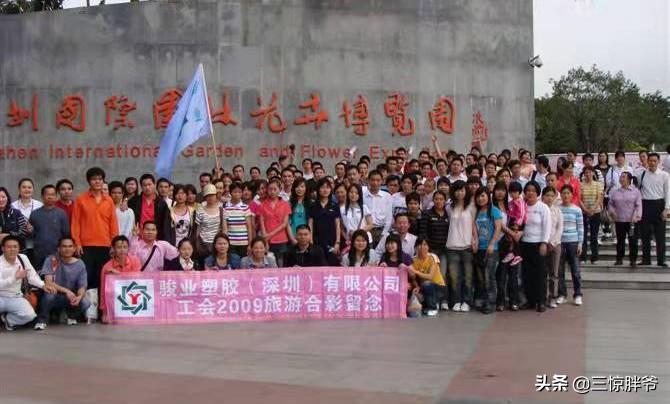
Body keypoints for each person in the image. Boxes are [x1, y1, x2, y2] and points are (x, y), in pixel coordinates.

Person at [72, 167, 119, 292]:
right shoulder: (81, 199)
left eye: (100, 179)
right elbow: (75, 223)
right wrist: (77, 243)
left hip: (105, 245)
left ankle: (101, 303)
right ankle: (87, 303)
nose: (97, 181)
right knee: (87, 277)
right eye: (94, 179)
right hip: (86, 245)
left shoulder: (109, 200)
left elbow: (113, 224)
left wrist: (114, 245)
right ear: (89, 181)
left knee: (103, 277)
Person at [0, 236, 54, 331]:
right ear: (3, 248)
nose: (12, 249)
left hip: (15, 297)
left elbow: (32, 276)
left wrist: (43, 285)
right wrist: (15, 278)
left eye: (15, 247)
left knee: (29, 315)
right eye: (9, 247)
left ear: (19, 248)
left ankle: (7, 321)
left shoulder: (23, 258)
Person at [35, 237, 90, 330]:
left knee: (86, 302)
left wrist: (79, 296)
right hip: (55, 294)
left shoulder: (80, 264)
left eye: (70, 246)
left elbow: (82, 285)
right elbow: (48, 282)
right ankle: (41, 320)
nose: (67, 249)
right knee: (50, 294)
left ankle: (70, 315)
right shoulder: (51, 260)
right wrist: (67, 291)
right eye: (64, 246)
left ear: (74, 248)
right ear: (58, 248)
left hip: (70, 298)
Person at [520, 181, 551, 312]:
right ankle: (530, 300)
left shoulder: (543, 207)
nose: (530, 193)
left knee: (540, 274)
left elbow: (547, 226)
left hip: (538, 244)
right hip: (524, 243)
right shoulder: (522, 206)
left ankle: (541, 301)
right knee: (527, 274)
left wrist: (544, 242)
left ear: (537, 193)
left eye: (533, 190)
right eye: (528, 190)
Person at [446, 180, 476, 312]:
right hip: (452, 246)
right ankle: (457, 300)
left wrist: (475, 239)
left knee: (468, 277)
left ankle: (467, 301)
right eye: (457, 190)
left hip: (467, 246)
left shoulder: (471, 206)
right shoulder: (449, 207)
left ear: (466, 191)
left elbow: (474, 224)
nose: (460, 193)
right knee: (454, 277)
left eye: (462, 190)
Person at [637, 152, 670, 267]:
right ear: (647, 161)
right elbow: (638, 191)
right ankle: (646, 259)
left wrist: (667, 209)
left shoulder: (664, 175)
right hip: (645, 205)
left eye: (654, 161)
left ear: (658, 162)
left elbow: (668, 193)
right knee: (645, 234)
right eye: (650, 160)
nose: (652, 163)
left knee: (660, 235)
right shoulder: (642, 174)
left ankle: (661, 260)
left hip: (659, 205)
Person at [473, 188, 503, 314]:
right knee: (481, 277)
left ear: (488, 197)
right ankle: (483, 300)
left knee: (489, 276)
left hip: (491, 249)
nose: (480, 199)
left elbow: (498, 228)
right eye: (478, 196)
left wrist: (492, 243)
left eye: (483, 196)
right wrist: (475, 242)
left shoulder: (494, 210)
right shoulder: (476, 212)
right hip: (479, 248)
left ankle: (491, 303)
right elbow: (475, 229)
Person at [492, 181, 520, 311]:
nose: (500, 192)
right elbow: (500, 225)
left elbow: (516, 221)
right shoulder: (491, 207)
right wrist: (511, 233)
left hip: (510, 245)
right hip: (497, 244)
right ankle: (500, 301)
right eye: (498, 189)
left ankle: (514, 301)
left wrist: (516, 233)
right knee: (501, 275)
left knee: (513, 274)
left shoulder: (510, 206)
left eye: (503, 190)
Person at [99, 235, 141, 321]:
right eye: (119, 247)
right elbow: (103, 290)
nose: (122, 250)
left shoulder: (135, 261)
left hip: (133, 296)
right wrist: (104, 311)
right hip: (116, 299)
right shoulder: (107, 267)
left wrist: (119, 275)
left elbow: (138, 282)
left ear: (128, 248)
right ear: (113, 249)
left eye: (125, 247)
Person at [29, 184, 71, 269]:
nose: (50, 197)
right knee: (40, 275)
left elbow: (66, 234)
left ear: (56, 196)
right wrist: (30, 231)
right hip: (39, 253)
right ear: (42, 196)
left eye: (53, 194)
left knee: (56, 274)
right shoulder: (34, 214)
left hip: (56, 253)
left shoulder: (61, 213)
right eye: (47, 194)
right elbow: (32, 234)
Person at [557, 185, 584, 306]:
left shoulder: (577, 210)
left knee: (575, 270)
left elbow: (580, 227)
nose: (566, 195)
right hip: (560, 242)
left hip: (573, 242)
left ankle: (578, 294)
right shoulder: (557, 209)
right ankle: (562, 294)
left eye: (568, 193)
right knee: (560, 270)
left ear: (572, 195)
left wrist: (580, 243)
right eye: (564, 193)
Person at [608, 172, 642, 267]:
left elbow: (638, 205)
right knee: (620, 241)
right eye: (621, 177)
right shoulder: (615, 191)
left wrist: (636, 216)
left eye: (623, 177)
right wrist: (612, 212)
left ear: (629, 180)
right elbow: (610, 204)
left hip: (632, 221)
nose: (621, 179)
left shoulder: (635, 191)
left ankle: (633, 260)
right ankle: (619, 259)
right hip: (619, 220)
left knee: (633, 241)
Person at [408, 237, 446, 317]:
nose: (422, 247)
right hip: (423, 287)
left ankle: (433, 308)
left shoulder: (433, 257)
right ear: (415, 247)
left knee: (427, 284)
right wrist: (417, 286)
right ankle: (430, 303)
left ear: (428, 247)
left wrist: (416, 271)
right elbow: (413, 278)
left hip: (438, 287)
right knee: (416, 291)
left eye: (425, 244)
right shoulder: (413, 260)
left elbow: (430, 277)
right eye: (420, 244)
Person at [308, 178, 341, 266]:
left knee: (332, 264)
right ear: (318, 189)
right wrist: (310, 241)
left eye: (327, 187)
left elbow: (337, 224)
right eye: (322, 187)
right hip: (317, 240)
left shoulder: (334, 205)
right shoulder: (313, 205)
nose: (325, 190)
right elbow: (310, 224)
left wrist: (337, 242)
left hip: (331, 241)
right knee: (318, 264)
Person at [128, 174, 171, 241]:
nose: (147, 187)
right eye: (144, 185)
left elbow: (165, 225)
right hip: (137, 239)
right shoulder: (133, 202)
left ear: (154, 185)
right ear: (141, 186)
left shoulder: (161, 203)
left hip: (156, 240)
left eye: (149, 184)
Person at [259, 178, 291, 267]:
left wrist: (271, 234)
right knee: (268, 262)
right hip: (267, 239)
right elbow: (261, 222)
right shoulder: (262, 204)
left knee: (280, 263)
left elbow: (284, 223)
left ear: (279, 190)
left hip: (281, 238)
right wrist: (265, 237)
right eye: (270, 189)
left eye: (275, 189)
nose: (272, 192)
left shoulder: (285, 204)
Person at [11, 178, 43, 263]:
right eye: (24, 187)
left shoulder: (39, 205)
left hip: (36, 245)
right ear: (19, 189)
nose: (27, 189)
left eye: (29, 187)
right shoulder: (12, 206)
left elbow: (43, 226)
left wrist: (33, 229)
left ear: (33, 189)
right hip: (18, 246)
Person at [542, 187, 563, 309]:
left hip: (555, 245)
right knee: (543, 272)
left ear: (555, 197)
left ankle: (553, 297)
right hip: (542, 245)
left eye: (552, 196)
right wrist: (545, 242)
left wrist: (552, 243)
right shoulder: (540, 209)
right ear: (543, 197)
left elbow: (560, 228)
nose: (549, 198)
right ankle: (543, 297)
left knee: (554, 273)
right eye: (547, 195)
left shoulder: (558, 210)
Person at [222, 182, 253, 257]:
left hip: (244, 242)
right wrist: (225, 243)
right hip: (231, 243)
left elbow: (249, 227)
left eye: (239, 192)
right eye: (235, 192)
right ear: (230, 193)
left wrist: (250, 244)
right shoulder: (226, 207)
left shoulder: (245, 207)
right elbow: (225, 228)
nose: (237, 194)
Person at [363, 170, 393, 247]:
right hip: (366, 230)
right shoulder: (362, 196)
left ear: (382, 181)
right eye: (372, 180)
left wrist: (384, 233)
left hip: (381, 230)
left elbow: (389, 217)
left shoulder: (387, 196)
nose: (375, 183)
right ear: (368, 180)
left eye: (378, 180)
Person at [193, 184, 223, 260]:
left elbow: (224, 228)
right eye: (208, 195)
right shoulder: (200, 210)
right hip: (203, 245)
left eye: (212, 195)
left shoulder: (221, 210)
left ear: (216, 196)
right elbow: (197, 229)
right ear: (205, 197)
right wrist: (196, 244)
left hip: (217, 244)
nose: (210, 197)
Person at [579, 166, 603, 264]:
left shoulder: (598, 184)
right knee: (583, 236)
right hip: (583, 212)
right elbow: (579, 199)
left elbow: (599, 198)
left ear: (593, 173)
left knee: (594, 236)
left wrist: (592, 209)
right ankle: (583, 257)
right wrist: (585, 209)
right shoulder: (580, 184)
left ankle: (594, 257)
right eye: (586, 173)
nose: (588, 174)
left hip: (595, 212)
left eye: (590, 172)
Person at [502, 182, 526, 266]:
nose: (513, 194)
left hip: (517, 222)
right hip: (511, 221)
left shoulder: (520, 202)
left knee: (514, 238)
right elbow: (510, 212)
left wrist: (517, 224)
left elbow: (522, 213)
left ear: (519, 192)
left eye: (515, 192)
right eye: (511, 192)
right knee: (511, 238)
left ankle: (517, 255)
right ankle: (511, 253)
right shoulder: (511, 202)